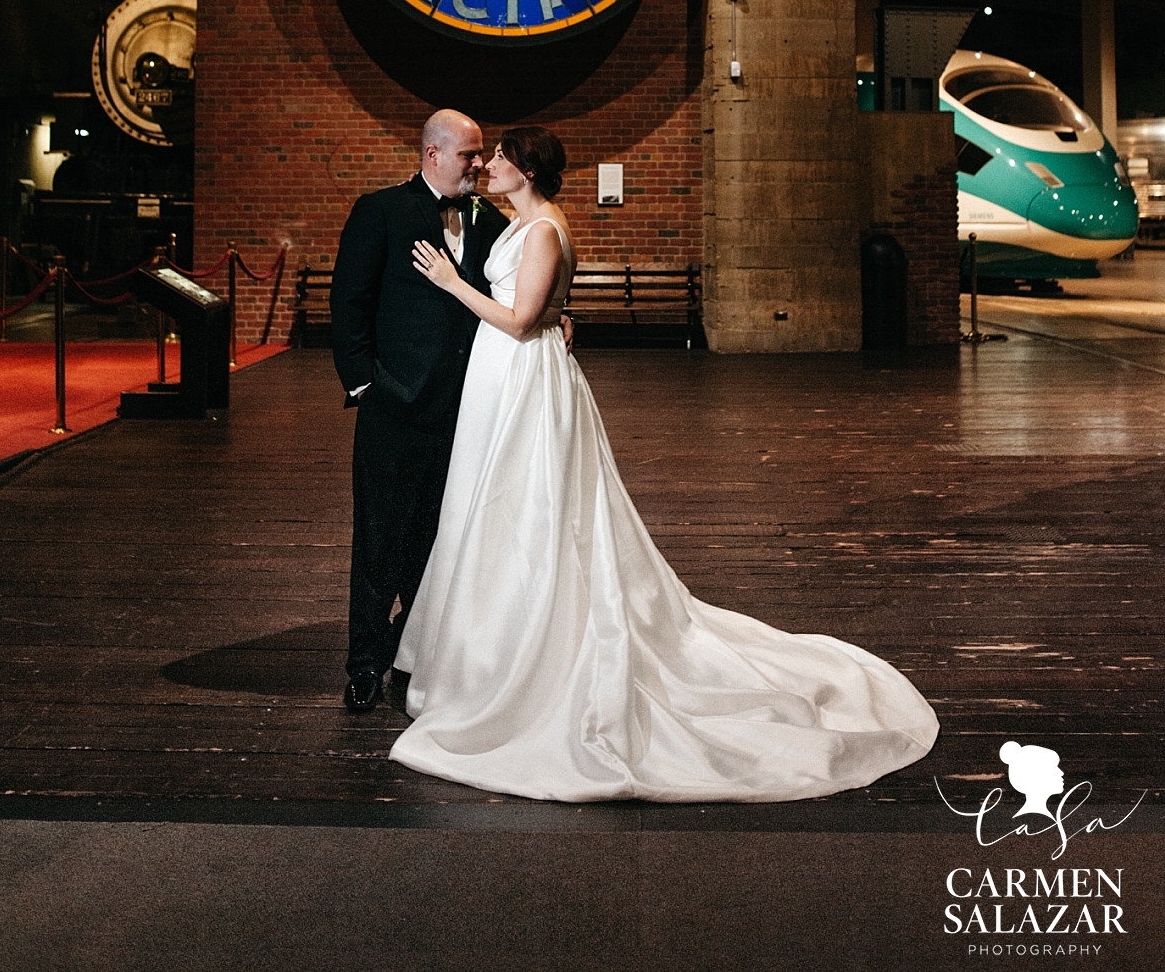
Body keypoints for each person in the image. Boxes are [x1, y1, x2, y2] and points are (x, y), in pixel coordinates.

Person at [389, 125, 939, 803]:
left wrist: (449, 282)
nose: (490, 165)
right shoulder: (527, 223)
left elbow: (521, 317)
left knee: (528, 509)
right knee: (497, 506)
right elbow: (547, 306)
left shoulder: (541, 231)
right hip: (506, 379)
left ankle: (525, 656)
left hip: (522, 378)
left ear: (525, 170)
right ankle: (484, 650)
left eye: (500, 157)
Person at [330, 108, 510, 713]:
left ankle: (416, 659)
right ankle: (364, 664)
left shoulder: (489, 222)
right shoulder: (379, 211)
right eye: (469, 155)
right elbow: (349, 303)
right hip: (393, 407)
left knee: (440, 542)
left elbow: (514, 292)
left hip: (467, 412)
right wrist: (363, 387)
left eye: (482, 154)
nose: (480, 165)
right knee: (380, 540)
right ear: (432, 154)